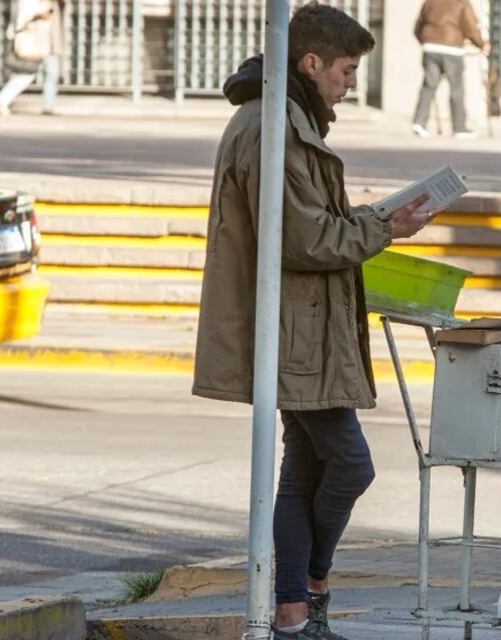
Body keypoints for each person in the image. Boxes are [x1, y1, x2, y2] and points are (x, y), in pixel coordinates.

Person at [192, 5, 437, 639]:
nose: (350, 84)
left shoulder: (286, 119)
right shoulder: (275, 128)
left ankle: (293, 614)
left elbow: (305, 224)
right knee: (351, 466)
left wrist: (373, 218)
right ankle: (311, 588)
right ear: (311, 63)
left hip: (300, 328)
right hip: (293, 333)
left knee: (306, 468)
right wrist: (386, 226)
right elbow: (305, 240)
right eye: (347, 71)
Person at [411, 0, 487, 139]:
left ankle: (419, 123)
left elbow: (417, 27)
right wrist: (481, 44)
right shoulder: (462, 3)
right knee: (456, 89)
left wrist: (426, 42)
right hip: (452, 48)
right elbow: (471, 27)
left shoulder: (429, 2)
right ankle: (459, 128)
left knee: (428, 86)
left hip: (430, 47)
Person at [0, 0, 62, 116]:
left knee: (51, 73)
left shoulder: (51, 3)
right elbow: (21, 19)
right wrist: (38, 14)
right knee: (27, 73)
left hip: (47, 43)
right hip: (32, 42)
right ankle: (3, 97)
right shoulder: (27, 2)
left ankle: (48, 106)